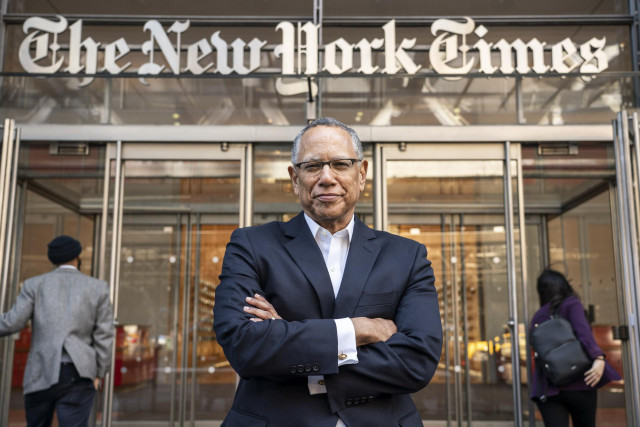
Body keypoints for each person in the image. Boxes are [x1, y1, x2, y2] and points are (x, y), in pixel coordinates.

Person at [213, 117, 443, 427]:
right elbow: (244, 346)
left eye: (340, 164)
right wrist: (356, 330)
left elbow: (418, 362)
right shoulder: (251, 245)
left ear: (361, 174)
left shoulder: (407, 256)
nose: (327, 177)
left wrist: (288, 337)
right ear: (295, 179)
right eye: (312, 166)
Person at [0, 235, 114, 427]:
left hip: (41, 371)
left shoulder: (34, 285)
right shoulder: (98, 288)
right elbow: (104, 335)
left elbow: (12, 322)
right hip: (79, 373)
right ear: (77, 257)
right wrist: (99, 372)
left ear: (52, 259)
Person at [529, 268, 621, 427]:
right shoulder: (572, 304)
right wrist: (598, 358)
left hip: (550, 388)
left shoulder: (539, 316)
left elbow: (537, 352)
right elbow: (584, 333)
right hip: (580, 383)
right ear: (564, 286)